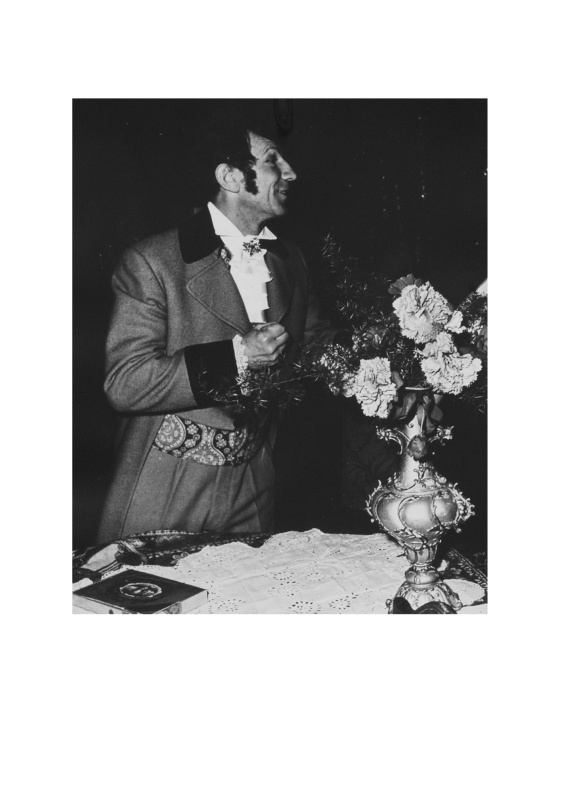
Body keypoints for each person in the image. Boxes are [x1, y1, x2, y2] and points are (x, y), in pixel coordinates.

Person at [96, 123, 339, 543]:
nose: (291, 172)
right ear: (230, 177)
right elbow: (126, 383)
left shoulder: (289, 260)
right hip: (169, 479)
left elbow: (316, 340)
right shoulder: (152, 261)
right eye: (272, 161)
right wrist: (237, 358)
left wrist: (380, 366)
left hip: (254, 483)